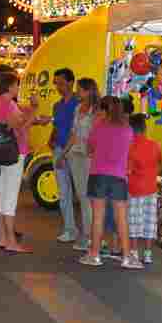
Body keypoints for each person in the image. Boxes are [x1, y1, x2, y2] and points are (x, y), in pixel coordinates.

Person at [0, 66, 36, 254]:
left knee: (2, 196)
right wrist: (34, 111)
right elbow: (20, 127)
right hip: (15, 151)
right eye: (16, 85)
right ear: (9, 87)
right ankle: (11, 240)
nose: (18, 88)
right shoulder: (8, 104)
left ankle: (4, 238)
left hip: (2, 152)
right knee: (10, 197)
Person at [82, 96, 137, 269]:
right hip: (119, 177)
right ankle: (127, 257)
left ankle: (94, 255)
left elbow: (89, 148)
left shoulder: (98, 127)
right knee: (122, 218)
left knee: (98, 217)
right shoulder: (128, 130)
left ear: (105, 110)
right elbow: (129, 152)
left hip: (98, 175)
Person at [63, 77, 99, 252]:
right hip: (75, 155)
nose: (77, 92)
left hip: (89, 158)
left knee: (87, 198)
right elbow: (73, 133)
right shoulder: (78, 109)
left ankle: (89, 236)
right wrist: (63, 154)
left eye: (80, 89)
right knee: (82, 196)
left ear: (88, 91)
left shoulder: (97, 112)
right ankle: (88, 236)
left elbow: (98, 136)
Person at [47, 67, 80, 244]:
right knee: (64, 192)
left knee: (82, 193)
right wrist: (51, 139)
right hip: (59, 150)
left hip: (76, 152)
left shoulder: (79, 104)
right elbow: (56, 125)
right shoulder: (57, 106)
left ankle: (88, 233)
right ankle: (70, 229)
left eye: (60, 83)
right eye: (56, 83)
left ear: (70, 82)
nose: (58, 87)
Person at [126, 112, 162, 267]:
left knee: (134, 221)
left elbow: (127, 170)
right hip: (151, 189)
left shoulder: (130, 147)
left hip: (134, 189)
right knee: (149, 221)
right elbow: (160, 159)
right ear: (145, 128)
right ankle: (147, 254)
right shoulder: (155, 145)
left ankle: (134, 251)